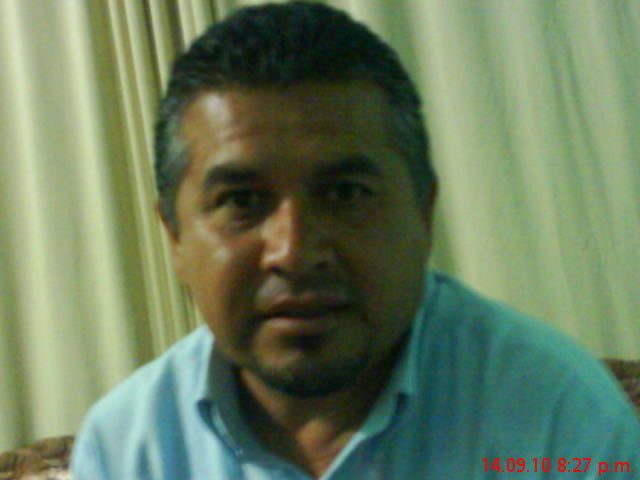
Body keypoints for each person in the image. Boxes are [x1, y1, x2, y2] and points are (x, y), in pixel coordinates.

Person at [71, 2, 640, 479]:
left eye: (345, 194)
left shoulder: (561, 422)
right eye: (241, 201)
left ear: (423, 213)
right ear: (174, 237)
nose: (294, 252)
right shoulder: (127, 450)